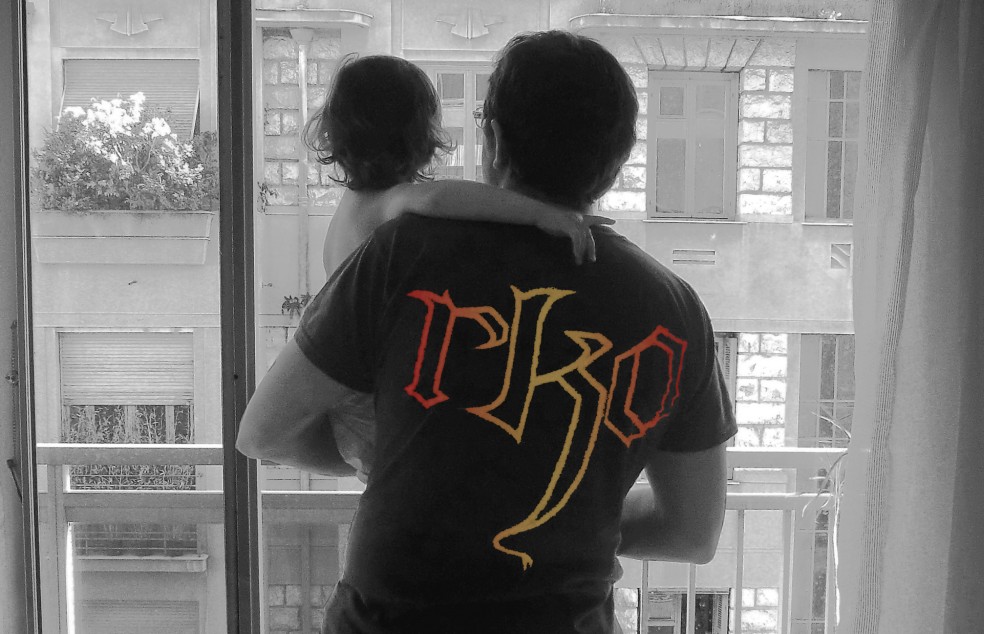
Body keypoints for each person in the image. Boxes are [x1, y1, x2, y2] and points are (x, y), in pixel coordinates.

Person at [238, 30, 736, 634]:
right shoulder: (674, 310)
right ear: (618, 159)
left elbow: (265, 432)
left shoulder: (402, 255)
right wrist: (576, 521)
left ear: (493, 140)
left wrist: (387, 465)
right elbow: (692, 532)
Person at [305, 54, 613, 479]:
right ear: (420, 134)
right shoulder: (390, 202)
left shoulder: (350, 208)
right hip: (373, 404)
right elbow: (437, 197)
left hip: (350, 401)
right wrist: (542, 214)